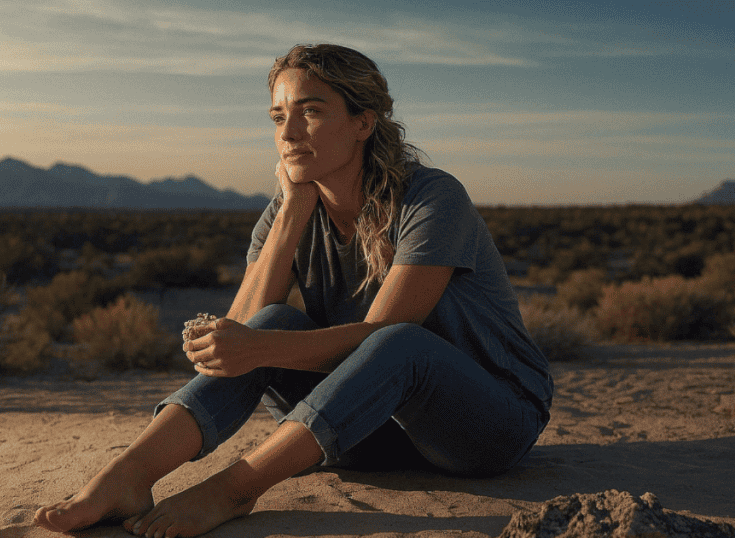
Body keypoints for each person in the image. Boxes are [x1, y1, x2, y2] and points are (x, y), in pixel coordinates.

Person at [34, 43, 553, 538]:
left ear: (363, 123)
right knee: (273, 323)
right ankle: (128, 475)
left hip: (484, 426)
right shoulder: (287, 211)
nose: (290, 132)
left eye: (311, 111)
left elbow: (381, 338)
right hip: (362, 428)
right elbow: (237, 339)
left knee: (398, 343)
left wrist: (255, 346)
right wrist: (294, 211)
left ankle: (235, 490)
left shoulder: (431, 198)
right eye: (279, 117)